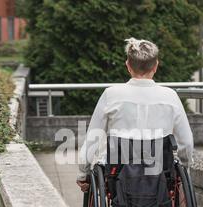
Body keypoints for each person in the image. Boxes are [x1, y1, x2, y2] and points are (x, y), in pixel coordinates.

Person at [77, 37, 194, 192]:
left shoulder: (111, 95)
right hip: (160, 171)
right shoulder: (170, 96)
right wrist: (185, 169)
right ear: (156, 66)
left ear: (128, 66)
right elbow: (186, 142)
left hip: (118, 172)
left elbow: (93, 137)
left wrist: (83, 173)